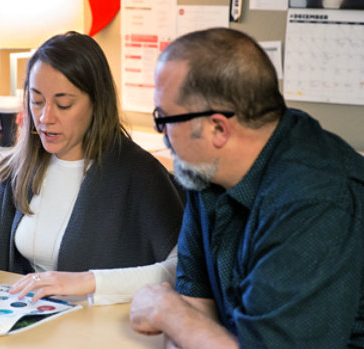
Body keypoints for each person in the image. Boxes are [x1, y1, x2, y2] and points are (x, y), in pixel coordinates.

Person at [129, 27, 364, 348]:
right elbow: (196, 303)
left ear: (217, 128)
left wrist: (167, 312)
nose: (163, 135)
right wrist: (180, 320)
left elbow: (186, 319)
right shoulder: (205, 168)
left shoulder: (316, 201)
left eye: (165, 119)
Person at [0, 31, 185, 305]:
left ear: (96, 104)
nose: (45, 118)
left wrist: (88, 281)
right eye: (37, 101)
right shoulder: (29, 162)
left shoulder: (138, 173)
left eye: (63, 104)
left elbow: (181, 269)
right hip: (30, 314)